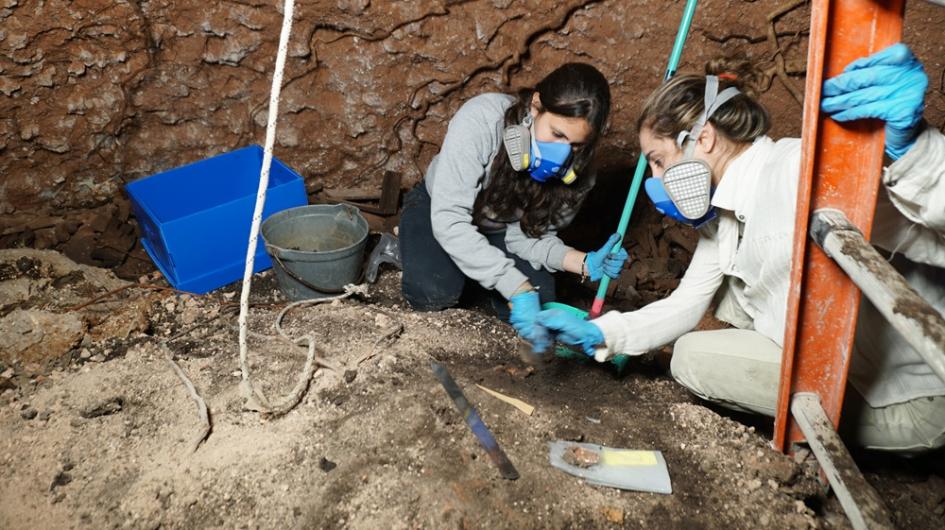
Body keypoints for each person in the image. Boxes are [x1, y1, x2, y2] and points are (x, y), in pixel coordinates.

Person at [537, 44, 945, 454]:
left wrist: (915, 154)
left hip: (908, 395)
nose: (655, 178)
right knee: (717, 316)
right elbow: (686, 304)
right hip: (846, 366)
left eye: (658, 161)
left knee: (694, 360)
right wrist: (602, 333)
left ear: (705, 138)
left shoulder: (794, 168)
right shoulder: (725, 214)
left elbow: (929, 233)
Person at [399, 63, 628, 353]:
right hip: (442, 210)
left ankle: (479, 279)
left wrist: (583, 262)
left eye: (575, 145)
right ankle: (407, 247)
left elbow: (529, 237)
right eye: (557, 134)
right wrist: (516, 287)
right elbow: (449, 220)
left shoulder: (582, 173)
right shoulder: (482, 120)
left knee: (542, 303)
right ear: (535, 107)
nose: (561, 156)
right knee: (432, 293)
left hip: (501, 230)